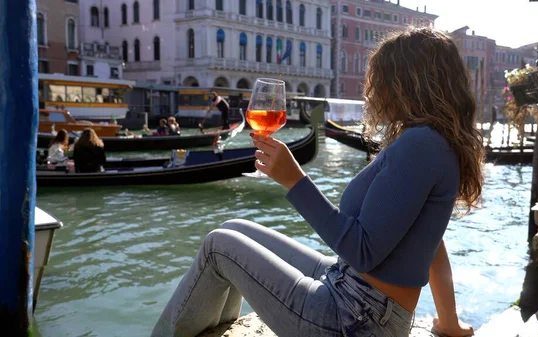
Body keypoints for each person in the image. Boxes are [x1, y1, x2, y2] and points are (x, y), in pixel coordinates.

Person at [151, 27, 484, 337]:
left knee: (218, 245)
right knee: (234, 228)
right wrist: (449, 324)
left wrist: (294, 180)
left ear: (407, 83)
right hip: (363, 301)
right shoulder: (436, 143)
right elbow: (432, 244)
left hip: (354, 317)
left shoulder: (420, 145)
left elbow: (361, 252)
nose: (374, 90)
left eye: (381, 79)